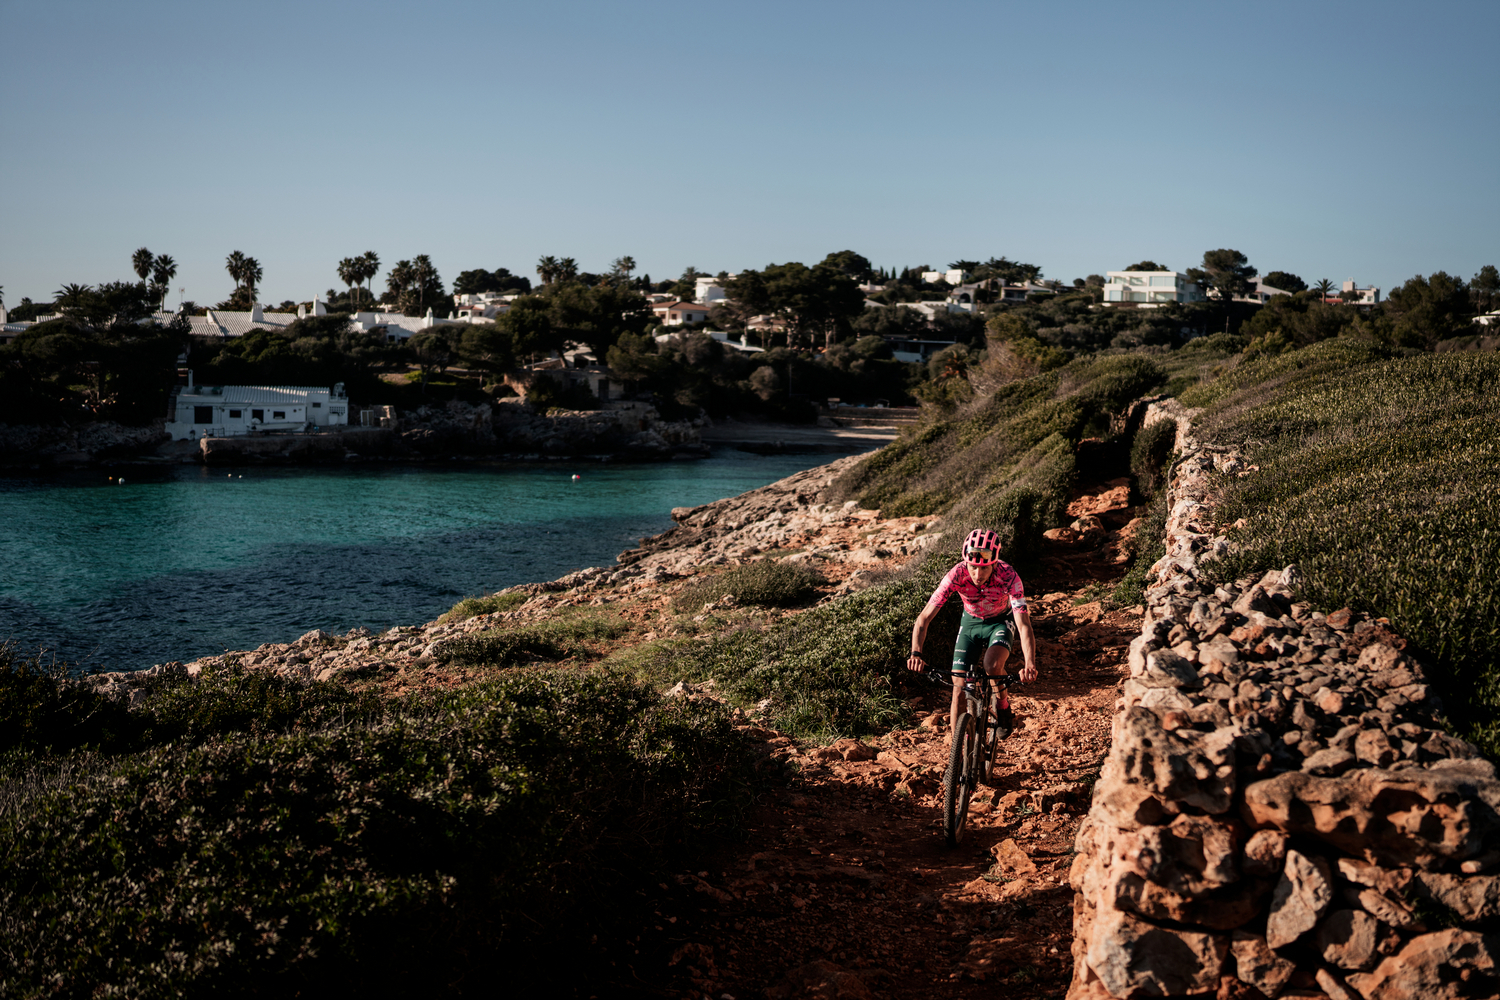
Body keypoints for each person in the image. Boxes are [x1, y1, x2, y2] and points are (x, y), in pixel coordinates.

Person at [906, 527, 1038, 740]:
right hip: (970, 623)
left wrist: (1029, 664)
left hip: (1000, 622)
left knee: (992, 666)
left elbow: (1023, 624)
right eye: (973, 567)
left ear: (994, 563)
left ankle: (1003, 708)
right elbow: (924, 618)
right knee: (958, 687)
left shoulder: (1009, 576)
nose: (978, 574)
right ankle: (957, 756)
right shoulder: (956, 574)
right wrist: (916, 654)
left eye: (984, 568)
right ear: (966, 562)